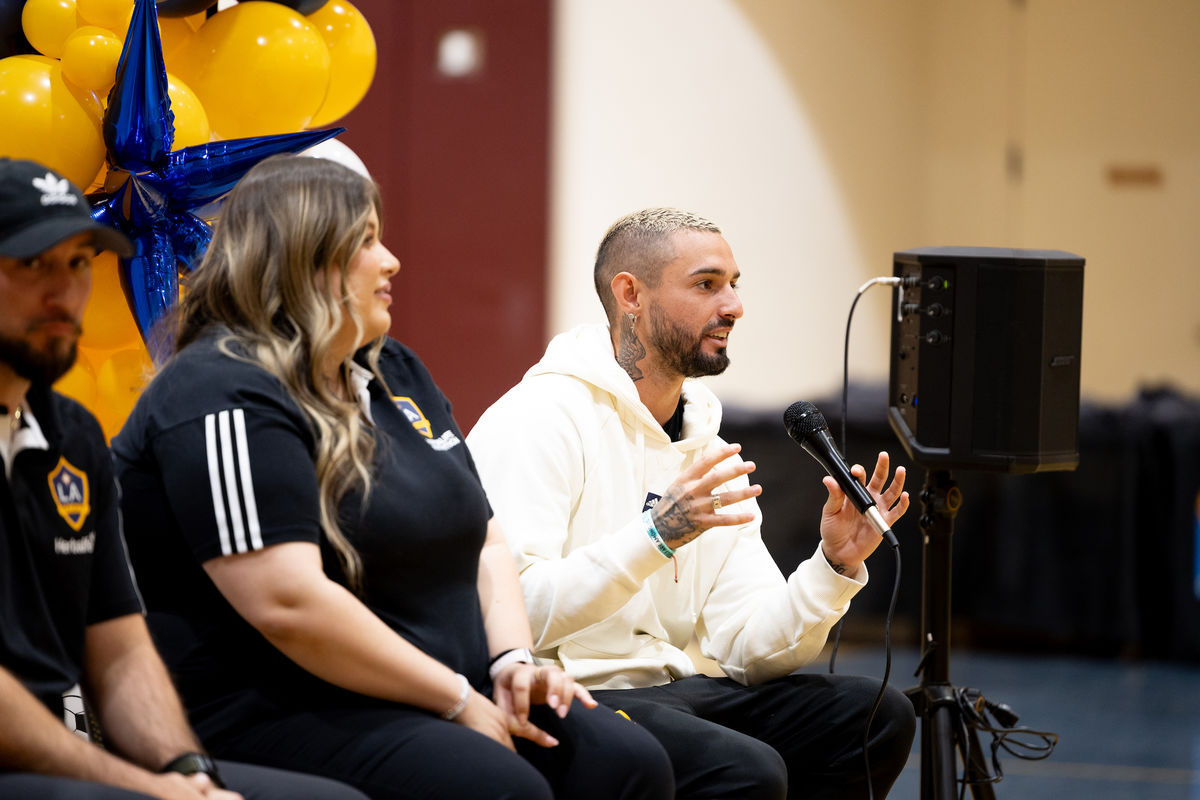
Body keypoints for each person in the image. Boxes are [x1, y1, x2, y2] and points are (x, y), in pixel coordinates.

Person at [111, 156, 674, 800]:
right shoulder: (218, 387)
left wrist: (512, 663)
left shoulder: (391, 369)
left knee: (626, 762)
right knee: (501, 788)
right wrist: (456, 698)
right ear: (304, 258)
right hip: (283, 705)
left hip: (435, 683)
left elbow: (485, 538)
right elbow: (286, 604)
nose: (391, 261)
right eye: (367, 240)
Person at [466, 207, 917, 799]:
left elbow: (747, 648)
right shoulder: (537, 420)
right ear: (630, 293)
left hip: (675, 688)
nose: (733, 305)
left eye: (734, 285)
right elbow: (510, 614)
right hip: (567, 693)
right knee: (745, 768)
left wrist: (831, 568)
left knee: (874, 714)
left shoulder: (707, 442)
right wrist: (655, 534)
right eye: (706, 285)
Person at [0, 157, 369, 800]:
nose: (64, 293)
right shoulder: (210, 389)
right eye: (33, 265)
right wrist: (139, 786)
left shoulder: (73, 437)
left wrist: (187, 774)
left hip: (64, 757)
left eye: (79, 263)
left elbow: (118, 649)